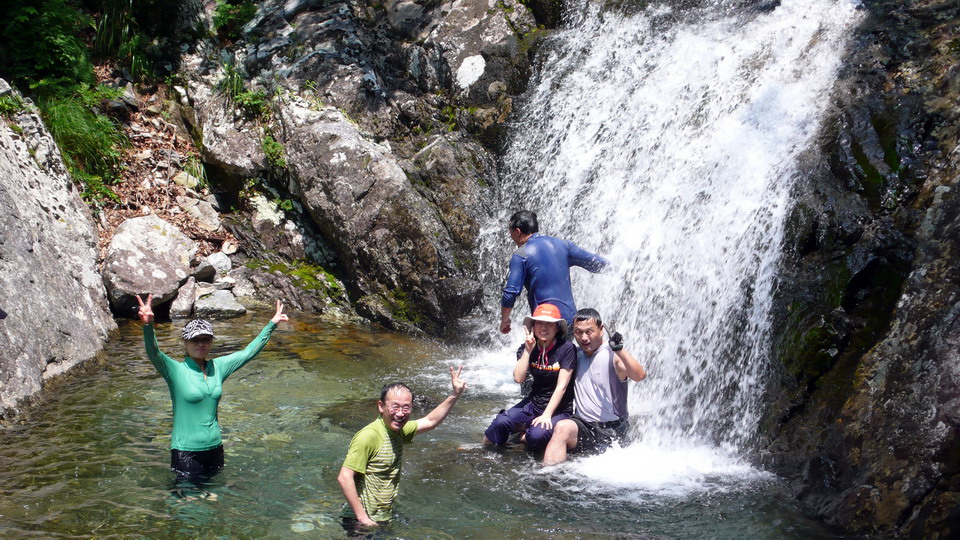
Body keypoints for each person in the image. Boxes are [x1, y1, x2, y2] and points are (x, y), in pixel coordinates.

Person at [136, 293, 289, 479]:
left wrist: (272, 324)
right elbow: (154, 352)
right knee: (187, 504)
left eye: (206, 339)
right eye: (195, 340)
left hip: (215, 449)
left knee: (213, 500)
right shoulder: (174, 370)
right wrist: (148, 325)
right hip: (185, 451)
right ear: (185, 342)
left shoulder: (219, 367)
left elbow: (248, 352)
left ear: (211, 342)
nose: (201, 344)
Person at [338, 366, 467, 530]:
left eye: (406, 407)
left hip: (382, 516)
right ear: (381, 406)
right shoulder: (368, 436)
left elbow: (430, 421)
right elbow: (344, 477)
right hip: (360, 522)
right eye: (395, 406)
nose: (400, 413)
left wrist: (455, 394)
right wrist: (363, 518)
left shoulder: (398, 430)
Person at [543, 308, 646, 466]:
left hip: (612, 430)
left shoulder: (614, 356)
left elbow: (639, 375)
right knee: (562, 428)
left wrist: (620, 350)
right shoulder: (575, 354)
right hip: (583, 425)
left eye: (589, 331)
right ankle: (548, 478)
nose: (584, 338)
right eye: (578, 332)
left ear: (601, 329)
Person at [482, 303, 576, 453]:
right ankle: (482, 450)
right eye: (539, 322)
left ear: (557, 328)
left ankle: (522, 435)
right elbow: (518, 378)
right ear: (532, 326)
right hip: (533, 403)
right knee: (501, 422)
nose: (543, 327)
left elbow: (562, 386)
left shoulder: (566, 348)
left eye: (549, 323)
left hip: (559, 410)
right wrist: (528, 349)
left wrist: (547, 415)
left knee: (538, 436)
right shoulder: (527, 347)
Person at [500, 210, 609, 334]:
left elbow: (510, 293)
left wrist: (505, 320)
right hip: (570, 320)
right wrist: (621, 270)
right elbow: (596, 263)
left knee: (534, 353)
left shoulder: (521, 255)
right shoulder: (564, 245)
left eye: (510, 232)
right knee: (564, 352)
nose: (511, 236)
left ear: (517, 232)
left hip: (545, 320)